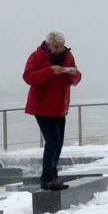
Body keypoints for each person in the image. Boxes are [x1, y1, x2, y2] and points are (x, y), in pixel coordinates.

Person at [23, 31, 82, 190]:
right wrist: (49, 71)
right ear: (49, 45)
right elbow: (28, 77)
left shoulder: (68, 56)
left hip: (60, 108)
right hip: (42, 108)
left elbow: (75, 80)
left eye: (61, 46)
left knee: (59, 142)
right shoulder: (37, 56)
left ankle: (53, 177)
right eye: (56, 46)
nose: (59, 49)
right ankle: (46, 178)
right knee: (53, 140)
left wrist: (74, 74)